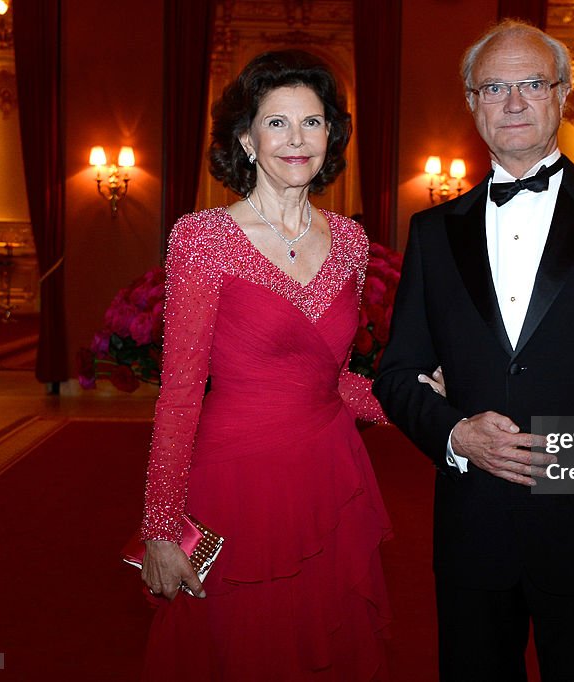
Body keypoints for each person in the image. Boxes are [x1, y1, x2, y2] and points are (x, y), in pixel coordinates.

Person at [373, 21, 574, 681]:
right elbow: (397, 373)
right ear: (473, 104)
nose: (515, 102)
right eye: (495, 87)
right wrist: (456, 434)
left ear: (561, 97)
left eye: (531, 84)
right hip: (473, 529)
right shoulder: (433, 232)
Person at [139, 51, 393, 681]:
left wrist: (415, 401)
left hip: (330, 477)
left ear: (331, 135)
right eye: (276, 123)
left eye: (312, 122)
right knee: (242, 646)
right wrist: (162, 526)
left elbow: (329, 379)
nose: (297, 139)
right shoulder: (202, 238)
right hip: (236, 481)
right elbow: (178, 392)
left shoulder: (351, 241)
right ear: (246, 138)